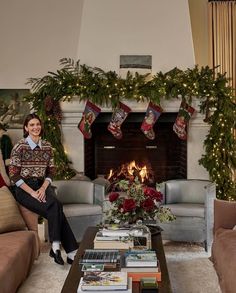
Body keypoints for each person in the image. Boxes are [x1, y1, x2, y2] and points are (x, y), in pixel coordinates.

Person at [9, 113, 78, 265]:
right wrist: (33, 192)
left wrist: (42, 188)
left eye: (37, 124)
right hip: (24, 188)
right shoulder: (19, 147)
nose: (35, 127)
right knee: (56, 205)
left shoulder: (47, 146)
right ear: (26, 128)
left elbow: (51, 172)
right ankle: (67, 249)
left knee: (55, 206)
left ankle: (60, 249)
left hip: (43, 185)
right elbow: (13, 176)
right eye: (32, 125)